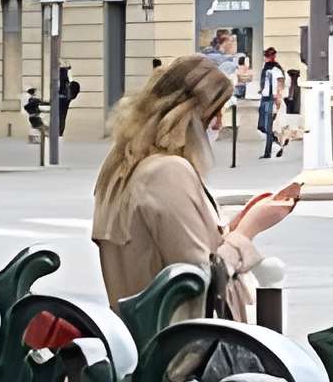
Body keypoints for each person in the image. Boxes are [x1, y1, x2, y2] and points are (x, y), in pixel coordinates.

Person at [89, 54, 298, 322]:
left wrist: (234, 226)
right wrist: (249, 230)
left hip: (145, 337)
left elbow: (171, 248)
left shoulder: (124, 167)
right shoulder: (167, 171)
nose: (220, 125)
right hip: (182, 344)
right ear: (189, 115)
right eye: (215, 113)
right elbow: (200, 277)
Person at [251, 47, 286, 160]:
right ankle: (276, 142)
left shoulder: (275, 69)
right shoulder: (266, 68)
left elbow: (280, 83)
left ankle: (269, 150)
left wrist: (278, 98)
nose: (267, 58)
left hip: (271, 98)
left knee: (268, 125)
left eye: (268, 55)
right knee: (262, 126)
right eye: (266, 55)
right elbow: (266, 82)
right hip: (265, 97)